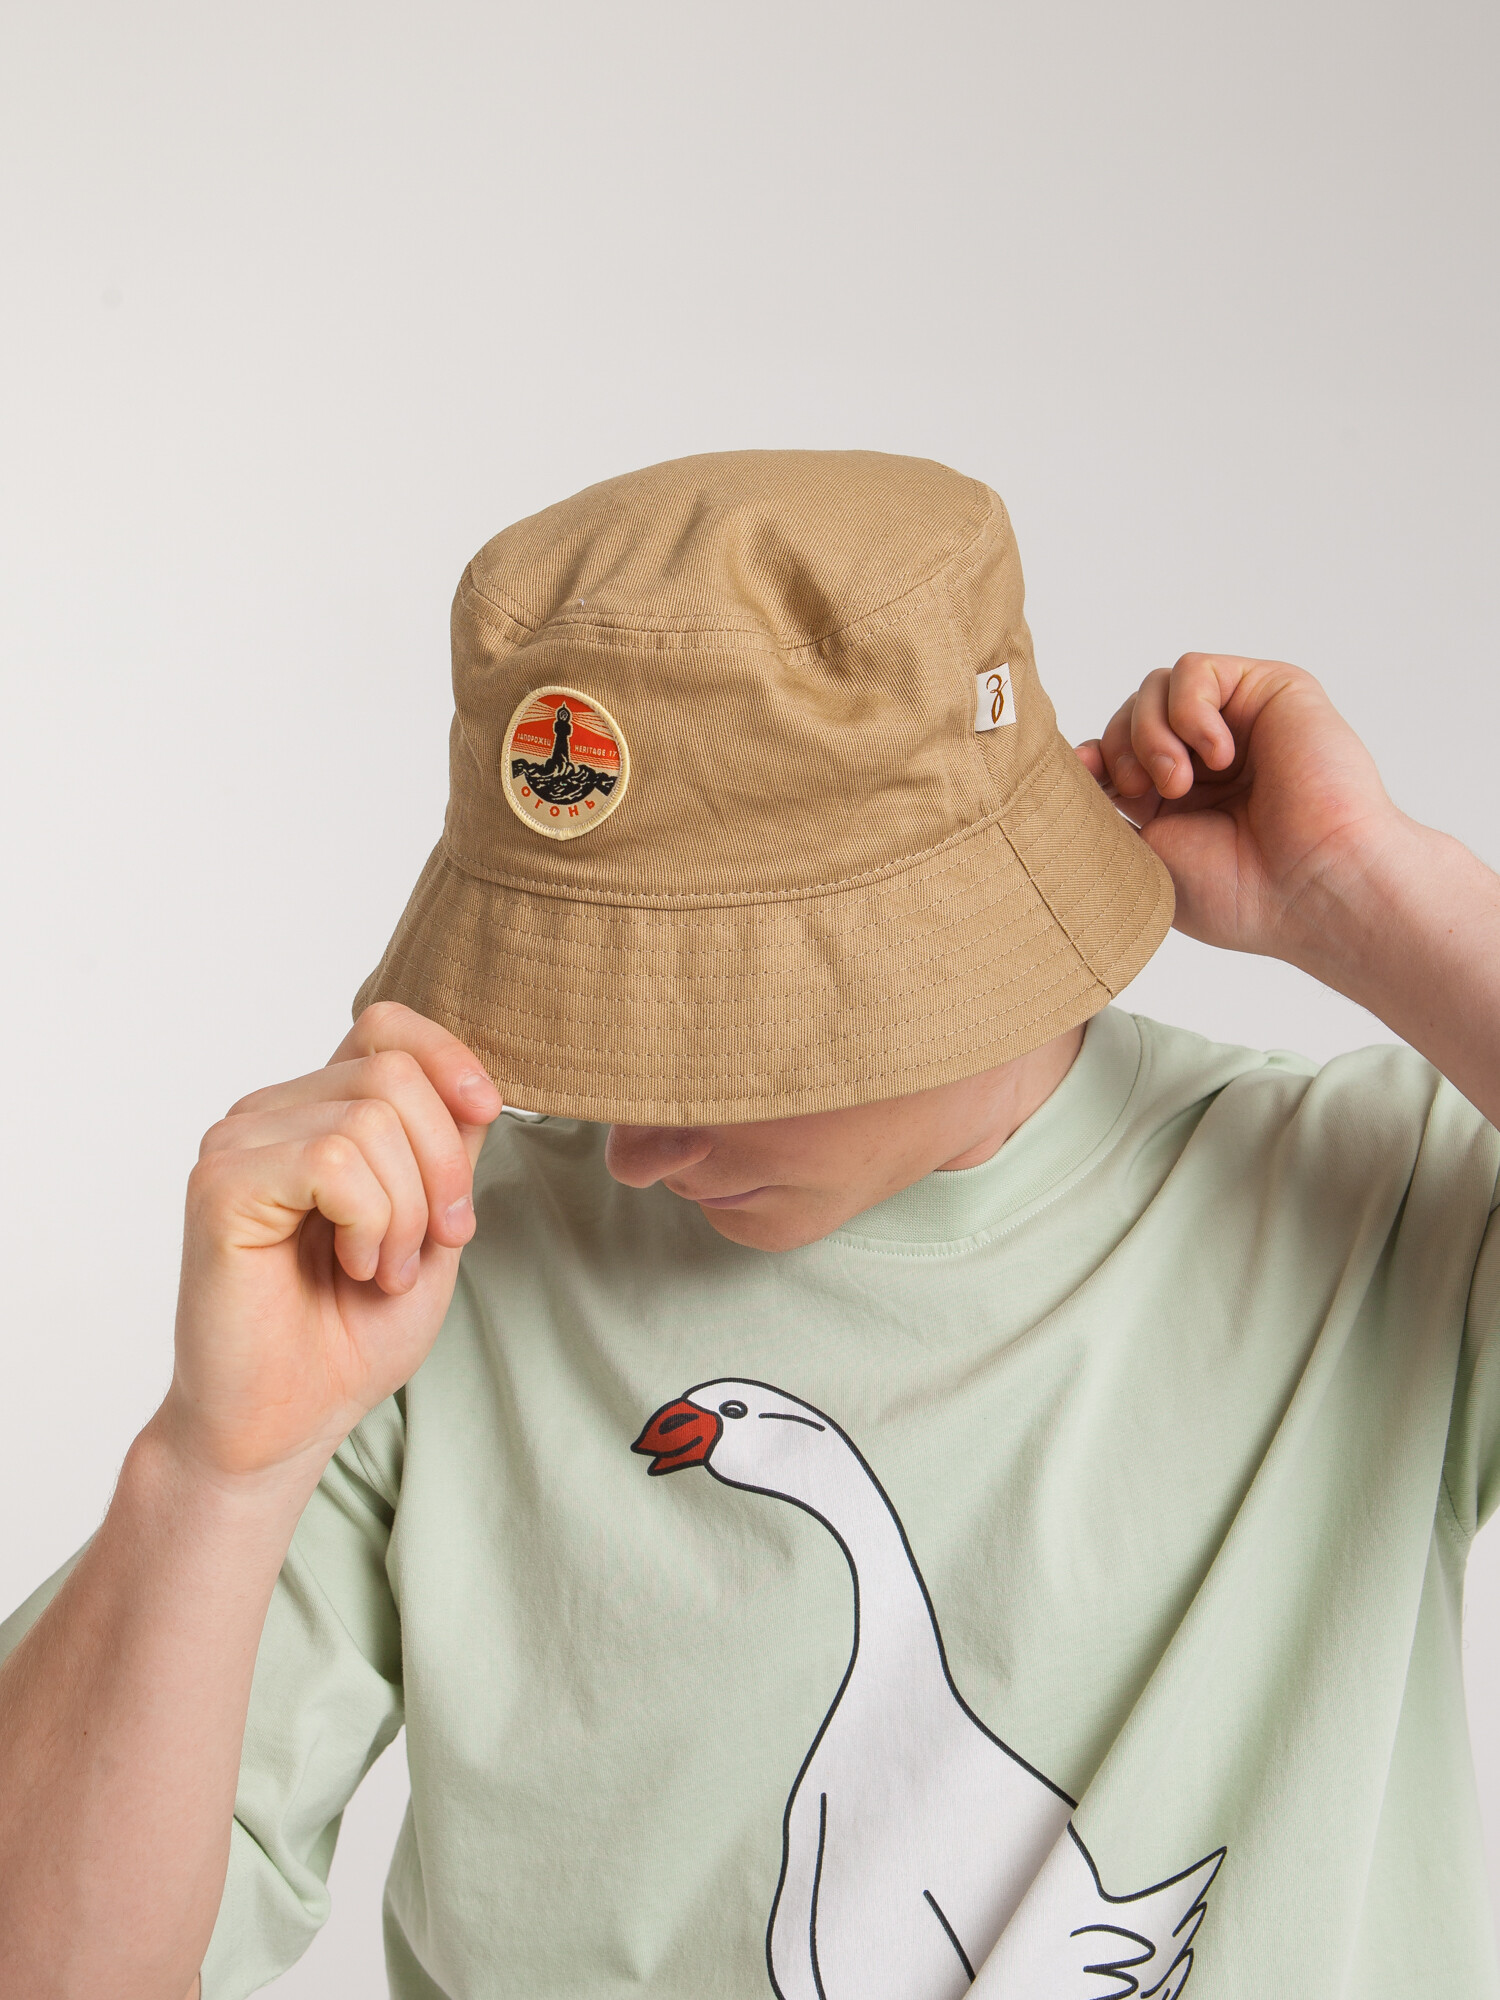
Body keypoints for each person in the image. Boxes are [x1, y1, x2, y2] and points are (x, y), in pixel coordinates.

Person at [2, 450, 1499, 1999]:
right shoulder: (424, 1284)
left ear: (963, 925)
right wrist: (215, 1466)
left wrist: (1368, 891)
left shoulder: (1387, 1211)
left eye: (725, 1034)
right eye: (581, 1028)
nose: (637, 1145)